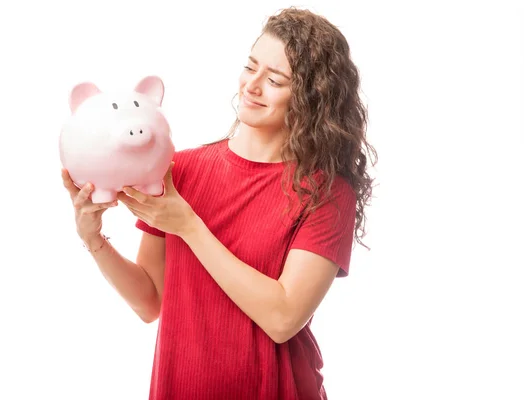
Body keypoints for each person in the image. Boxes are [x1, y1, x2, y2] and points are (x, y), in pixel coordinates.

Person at [61, 6, 377, 400]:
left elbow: (283, 317)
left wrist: (190, 226)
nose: (252, 85)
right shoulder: (182, 170)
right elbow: (149, 302)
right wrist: (94, 240)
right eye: (251, 67)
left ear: (312, 100)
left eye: (275, 80)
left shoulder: (325, 193)